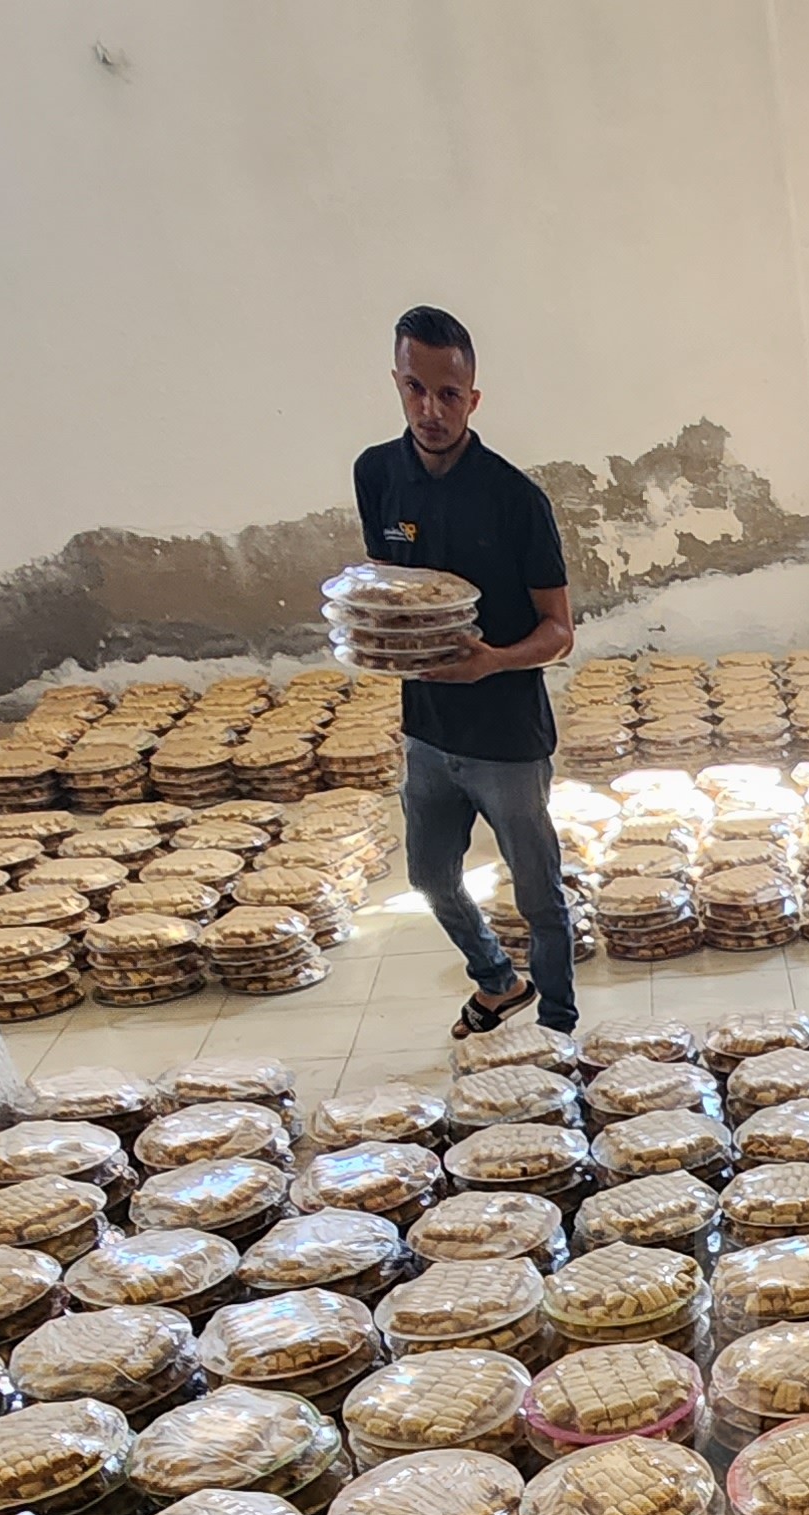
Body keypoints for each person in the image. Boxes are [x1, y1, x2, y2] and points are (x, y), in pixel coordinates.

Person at [354, 302, 579, 1035]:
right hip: (427, 731)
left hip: (507, 737)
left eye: (448, 394)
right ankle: (497, 980)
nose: (431, 410)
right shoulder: (376, 474)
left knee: (538, 895)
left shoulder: (515, 499)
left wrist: (492, 664)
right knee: (429, 877)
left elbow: (560, 632)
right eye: (416, 389)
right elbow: (388, 592)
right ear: (397, 384)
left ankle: (559, 1028)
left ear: (473, 398)